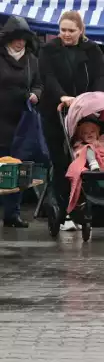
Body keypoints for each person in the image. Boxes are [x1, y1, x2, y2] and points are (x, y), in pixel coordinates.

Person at [39, 11, 104, 228]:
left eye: (71, 30)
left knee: (85, 158)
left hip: (85, 113)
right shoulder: (48, 50)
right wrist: (62, 96)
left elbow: (100, 76)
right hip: (56, 111)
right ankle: (64, 210)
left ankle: (88, 207)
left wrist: (96, 98)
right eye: (63, 30)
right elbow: (47, 77)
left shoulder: (92, 49)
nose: (66, 34)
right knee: (61, 161)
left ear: (81, 30)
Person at [0, 17, 43, 228]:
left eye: (23, 39)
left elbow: (39, 84)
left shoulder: (32, 60)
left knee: (18, 165)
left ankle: (12, 213)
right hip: (1, 118)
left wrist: (36, 94)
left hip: (22, 120)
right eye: (16, 39)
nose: (20, 43)